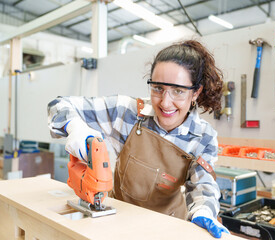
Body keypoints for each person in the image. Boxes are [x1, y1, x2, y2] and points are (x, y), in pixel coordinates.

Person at [47, 40, 230, 238]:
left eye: (178, 91)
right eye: (158, 88)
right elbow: (58, 104)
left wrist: (204, 211)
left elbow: (203, 186)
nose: (165, 102)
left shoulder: (204, 137)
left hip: (167, 230)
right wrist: (74, 126)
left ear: (196, 92)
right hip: (118, 224)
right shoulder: (128, 113)